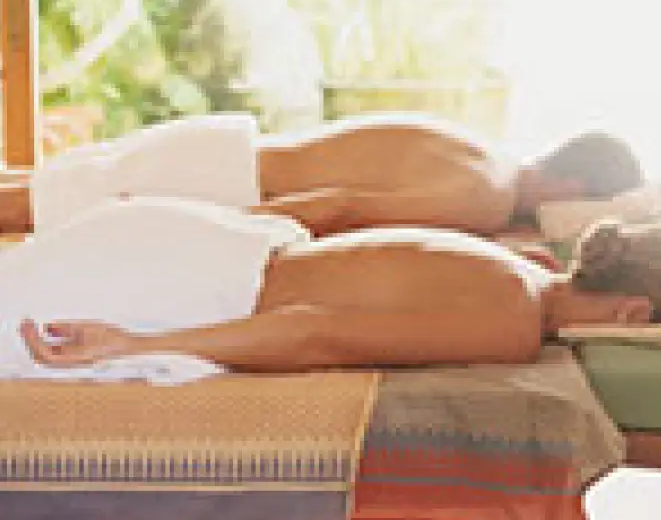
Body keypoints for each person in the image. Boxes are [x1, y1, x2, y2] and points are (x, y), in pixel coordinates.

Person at [10, 198, 651, 375]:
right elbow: (314, 331)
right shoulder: (511, 321)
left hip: (198, 237)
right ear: (631, 314)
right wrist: (135, 344)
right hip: (179, 282)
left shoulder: (527, 264)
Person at [0, 113, 644, 238]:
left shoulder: (480, 143)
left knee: (30, 192)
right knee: (27, 211)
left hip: (227, 143)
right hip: (225, 185)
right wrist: (206, 228)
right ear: (575, 193)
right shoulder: (485, 198)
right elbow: (338, 206)